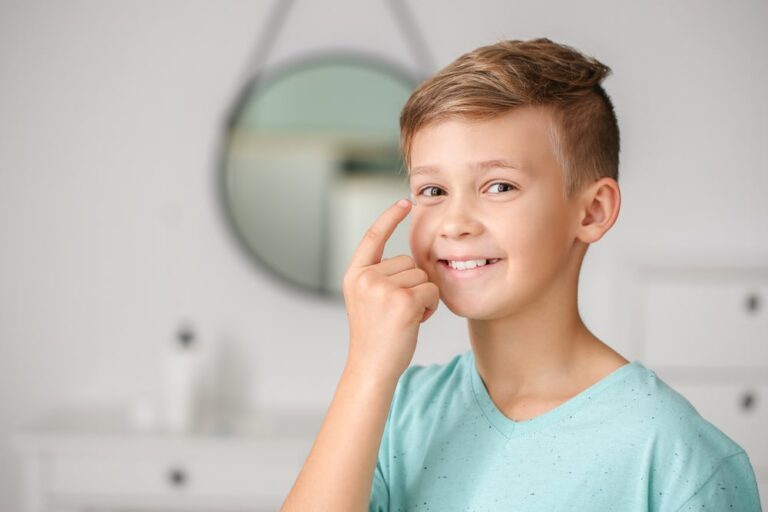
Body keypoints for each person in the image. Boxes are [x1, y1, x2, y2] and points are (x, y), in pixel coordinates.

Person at [280, 37, 763, 511]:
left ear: (592, 211)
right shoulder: (398, 407)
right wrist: (367, 367)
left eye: (499, 185)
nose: (454, 222)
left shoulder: (678, 458)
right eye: (432, 190)